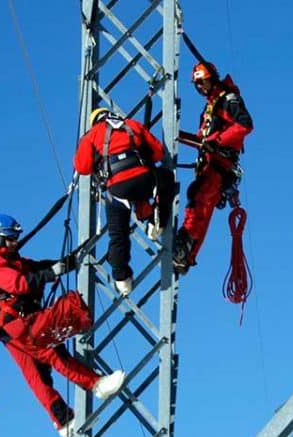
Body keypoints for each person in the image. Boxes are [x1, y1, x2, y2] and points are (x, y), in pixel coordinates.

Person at [0, 214, 125, 437]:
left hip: (11, 327)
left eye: (16, 237)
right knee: (52, 351)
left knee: (37, 373)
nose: (15, 242)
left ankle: (63, 420)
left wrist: (61, 265)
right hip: (16, 325)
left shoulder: (6, 258)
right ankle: (96, 384)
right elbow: (20, 283)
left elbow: (33, 267)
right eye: (10, 238)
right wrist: (51, 272)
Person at [74, 107, 176, 295]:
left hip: (118, 188)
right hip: (144, 180)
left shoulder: (91, 135)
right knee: (166, 178)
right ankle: (157, 220)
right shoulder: (132, 125)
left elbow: (82, 167)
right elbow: (158, 153)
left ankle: (122, 278)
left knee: (118, 234)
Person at [173, 61, 253, 275]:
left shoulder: (228, 100)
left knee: (199, 198)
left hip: (221, 163)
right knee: (200, 201)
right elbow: (203, 140)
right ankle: (186, 255)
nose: (200, 87)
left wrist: (218, 141)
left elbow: (245, 124)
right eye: (196, 85)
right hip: (212, 162)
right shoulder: (212, 104)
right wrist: (176, 135)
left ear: (212, 78)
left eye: (202, 82)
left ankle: (184, 246)